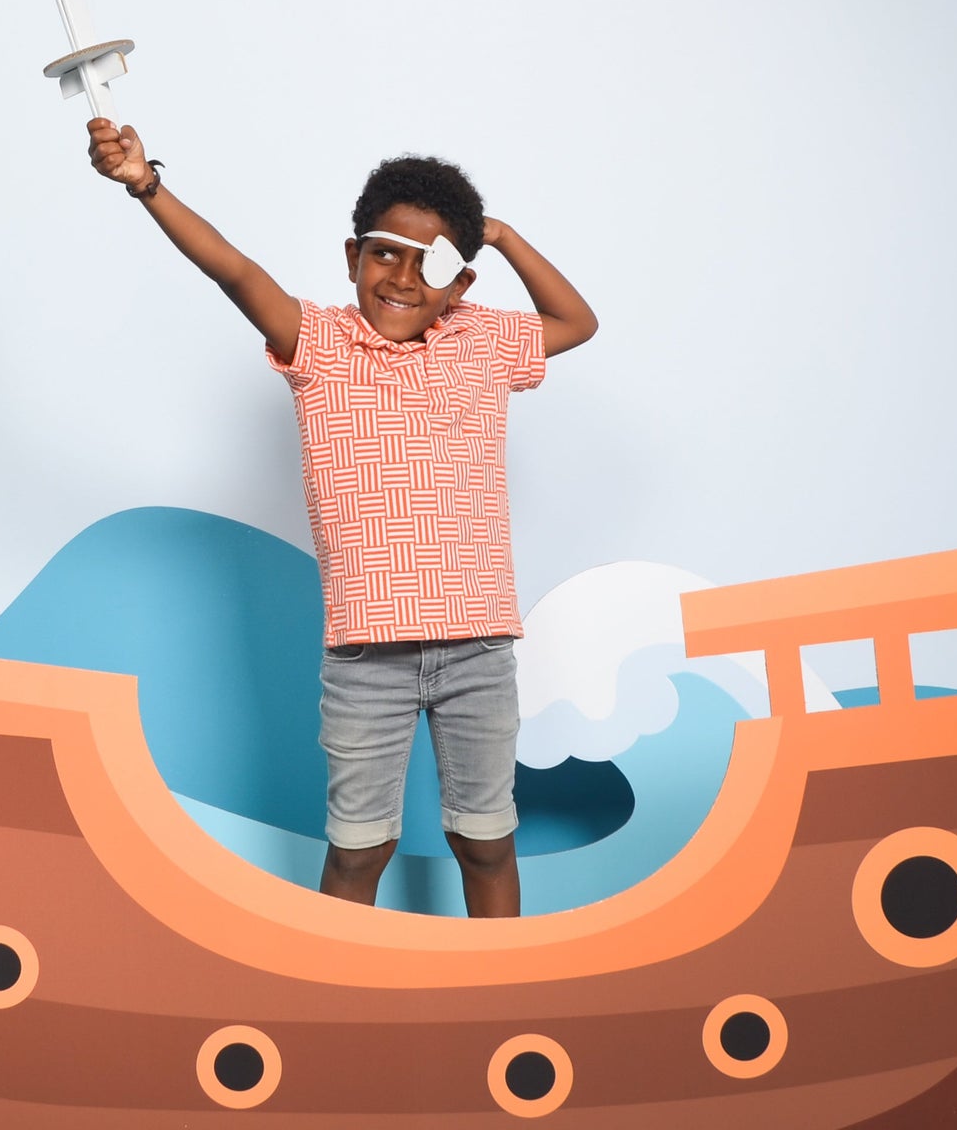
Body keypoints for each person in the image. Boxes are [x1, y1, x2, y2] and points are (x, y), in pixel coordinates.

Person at [85, 117, 597, 917]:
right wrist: (147, 185)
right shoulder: (320, 344)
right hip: (366, 660)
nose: (403, 278)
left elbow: (577, 322)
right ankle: (341, 994)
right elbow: (234, 270)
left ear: (461, 284)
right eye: (386, 253)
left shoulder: (480, 340)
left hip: (477, 646)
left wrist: (497, 234)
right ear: (353, 256)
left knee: (486, 840)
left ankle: (501, 984)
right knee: (359, 848)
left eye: (432, 263)